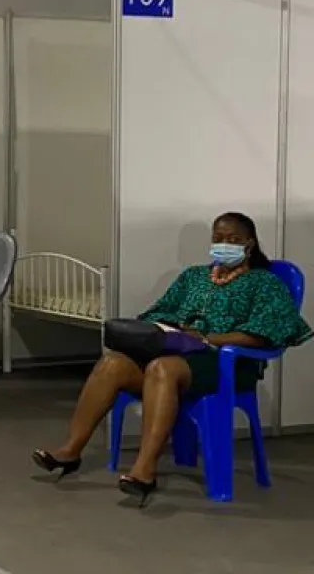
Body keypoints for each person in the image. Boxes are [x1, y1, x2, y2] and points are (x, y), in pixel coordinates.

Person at [32, 212, 311, 505]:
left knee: (162, 368)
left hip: (226, 363)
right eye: (218, 238)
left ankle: (144, 471)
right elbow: (158, 312)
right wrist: (169, 329)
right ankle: (71, 451)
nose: (224, 245)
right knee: (113, 363)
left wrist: (206, 338)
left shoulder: (264, 283)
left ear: (249, 244)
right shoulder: (194, 276)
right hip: (177, 355)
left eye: (233, 240)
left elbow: (266, 334)